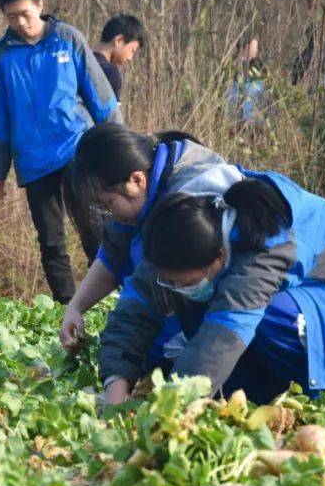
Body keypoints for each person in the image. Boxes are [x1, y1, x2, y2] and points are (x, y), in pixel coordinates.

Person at [99, 173, 325, 409]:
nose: (176, 287)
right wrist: (116, 383)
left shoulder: (268, 237)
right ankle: (279, 386)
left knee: (269, 316)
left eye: (185, 280)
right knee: (171, 349)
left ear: (220, 256)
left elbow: (224, 334)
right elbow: (137, 304)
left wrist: (171, 411)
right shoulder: (184, 229)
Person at [0, 0, 121, 304]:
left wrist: (118, 149)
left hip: (78, 151)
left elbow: (100, 97)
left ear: (40, 7)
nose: (18, 22)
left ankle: (110, 303)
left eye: (24, 14)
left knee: (95, 232)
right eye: (10, 16)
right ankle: (66, 309)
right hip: (33, 160)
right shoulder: (1, 57)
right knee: (50, 240)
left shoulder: (68, 39)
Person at [60, 125, 238, 366]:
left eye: (107, 204)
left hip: (230, 304)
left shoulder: (190, 194)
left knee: (153, 350)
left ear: (136, 180)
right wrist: (75, 308)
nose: (108, 214)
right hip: (189, 303)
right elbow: (114, 253)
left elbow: (146, 287)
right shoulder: (133, 197)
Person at [93, 14, 145, 101]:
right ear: (119, 40)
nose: (130, 58)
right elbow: (113, 114)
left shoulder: (80, 61)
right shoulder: (110, 72)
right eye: (132, 50)